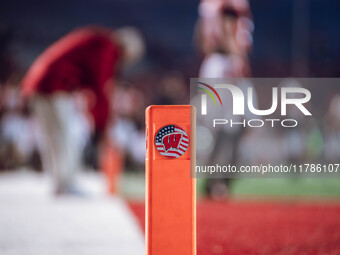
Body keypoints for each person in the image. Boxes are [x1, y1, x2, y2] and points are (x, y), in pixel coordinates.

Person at [21, 26, 144, 195]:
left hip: (42, 81)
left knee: (53, 135)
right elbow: (100, 89)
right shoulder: (106, 48)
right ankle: (65, 183)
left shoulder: (98, 41)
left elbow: (92, 89)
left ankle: (60, 182)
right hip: (52, 84)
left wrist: (98, 120)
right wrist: (101, 126)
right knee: (64, 134)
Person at [196, 0, 255, 198]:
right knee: (220, 130)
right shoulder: (217, 12)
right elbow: (208, 42)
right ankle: (215, 181)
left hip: (231, 71)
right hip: (222, 69)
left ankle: (220, 180)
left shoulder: (232, 14)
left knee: (235, 129)